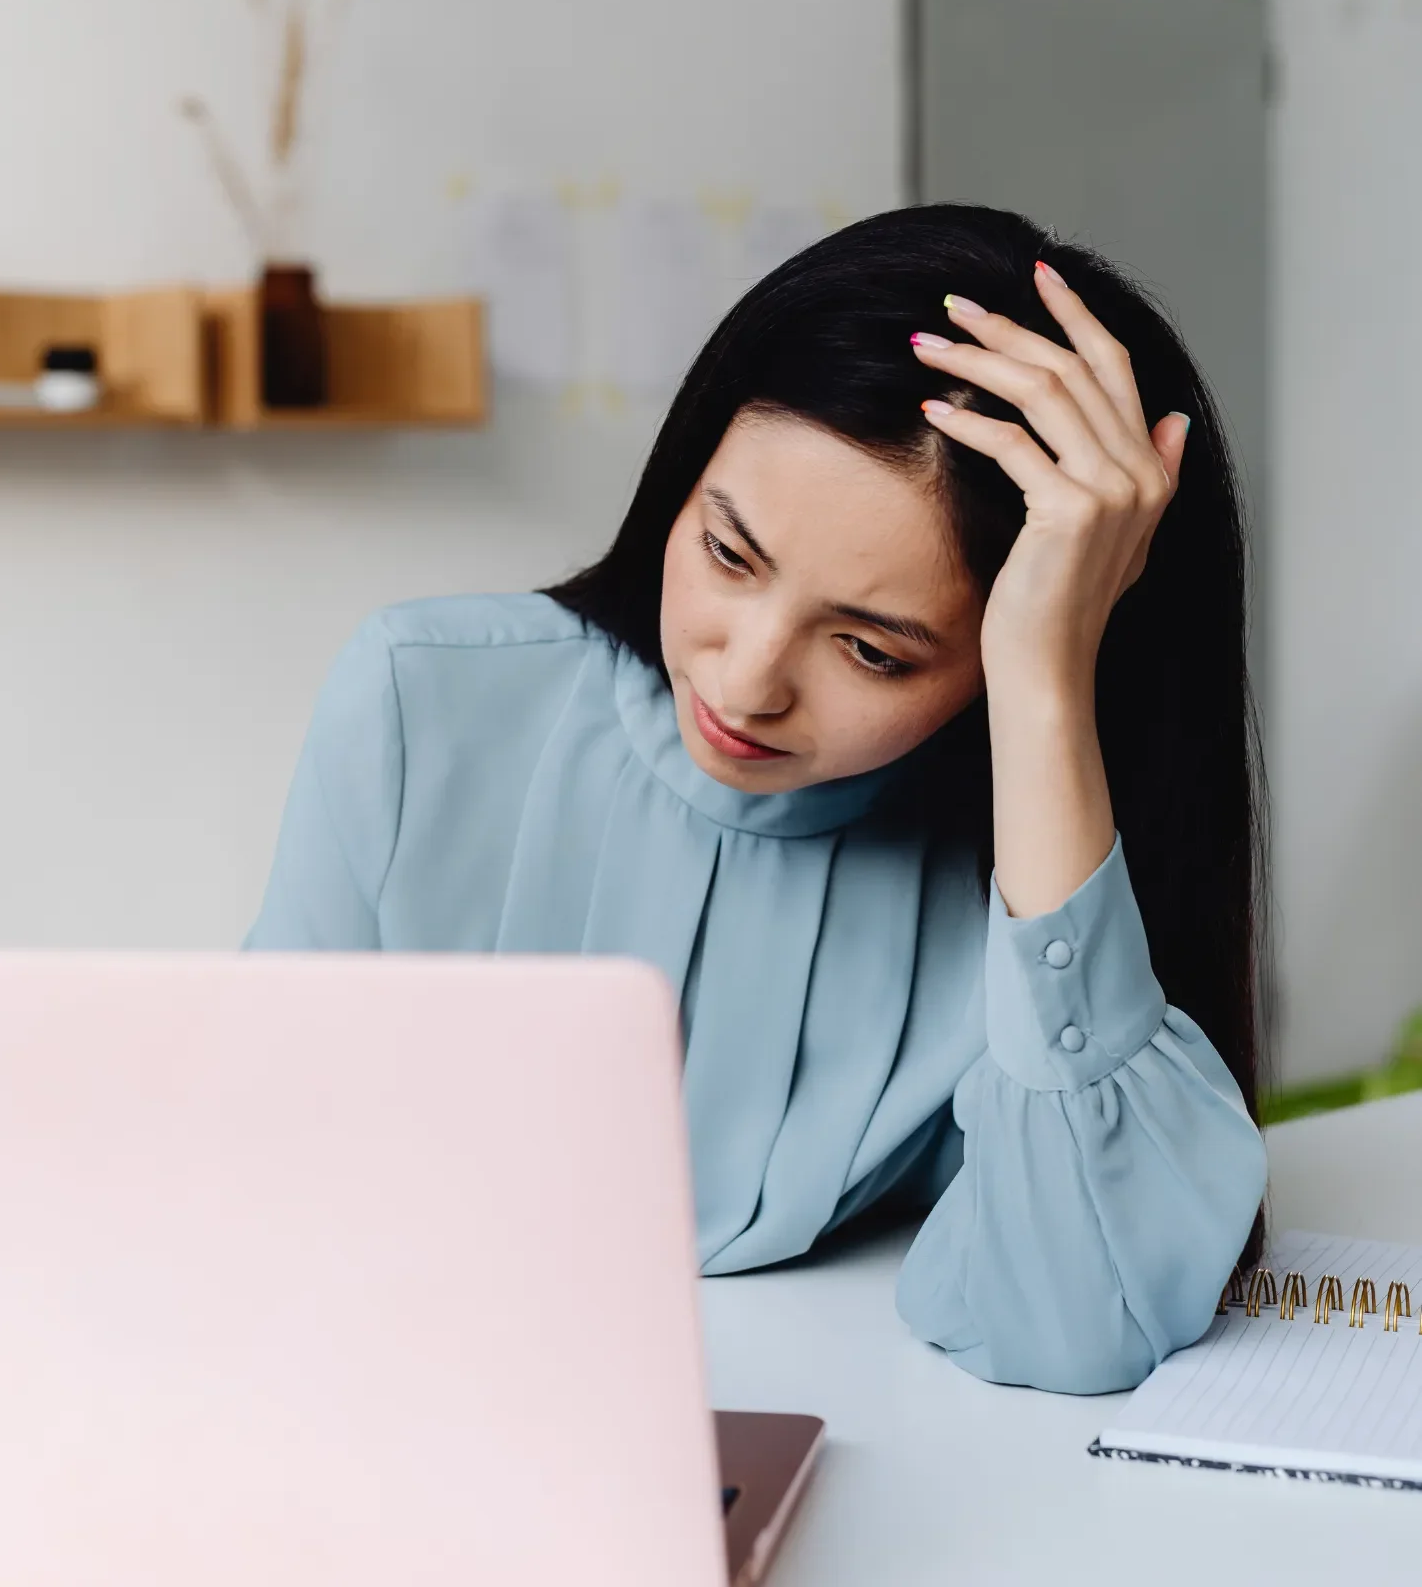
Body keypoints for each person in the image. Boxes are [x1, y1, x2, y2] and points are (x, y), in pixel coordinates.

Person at [247, 203, 1268, 1395]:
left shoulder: (1020, 863)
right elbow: (261, 1162)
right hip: (381, 1406)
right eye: (728, 555)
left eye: (873, 652)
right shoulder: (422, 700)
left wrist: (1047, 684)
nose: (744, 681)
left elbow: (1077, 1322)